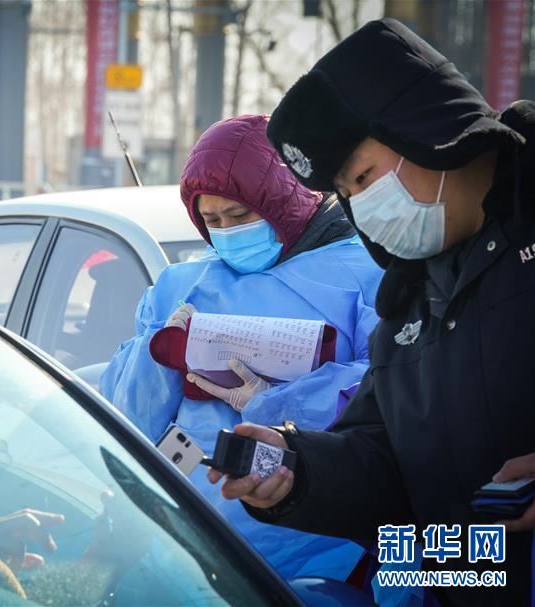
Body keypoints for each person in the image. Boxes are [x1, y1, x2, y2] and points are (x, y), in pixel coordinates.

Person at [210, 19, 534, 606]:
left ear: (426, 128)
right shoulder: (410, 303)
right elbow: (385, 463)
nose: (364, 206)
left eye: (363, 176)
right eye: (348, 192)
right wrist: (297, 470)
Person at [100, 114, 384, 581]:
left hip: (312, 543)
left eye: (239, 216)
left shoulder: (366, 276)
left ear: (285, 200)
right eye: (212, 220)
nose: (227, 231)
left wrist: (277, 402)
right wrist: (158, 353)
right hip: (183, 536)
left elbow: (387, 395)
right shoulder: (181, 284)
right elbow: (124, 416)